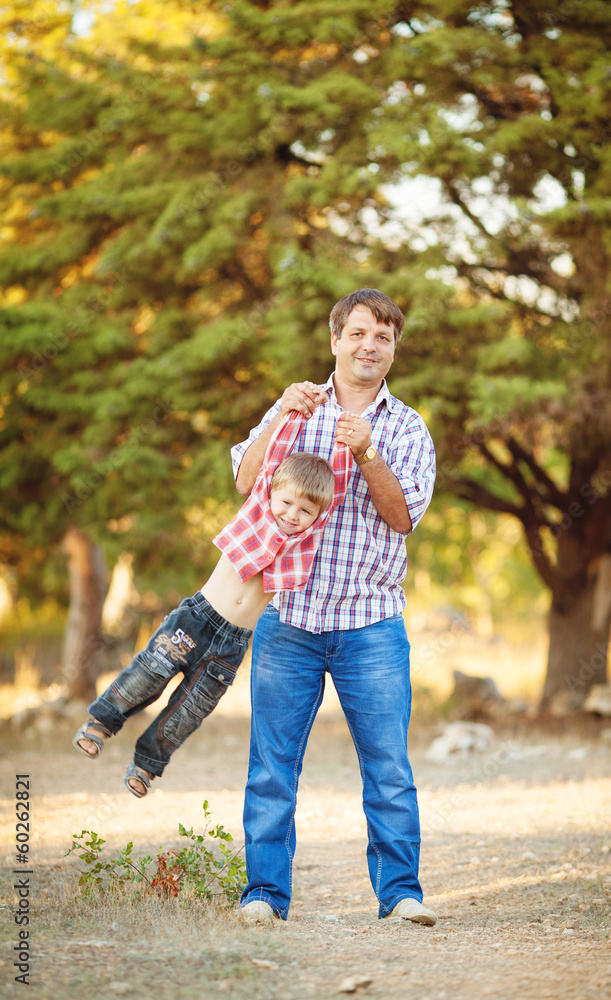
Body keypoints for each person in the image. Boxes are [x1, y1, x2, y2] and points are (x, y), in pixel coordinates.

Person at [233, 288, 438, 927]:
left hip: (371, 623)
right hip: (288, 618)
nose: (369, 346)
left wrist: (367, 451)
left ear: (393, 350)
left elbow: (402, 517)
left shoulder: (406, 427)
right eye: (358, 333)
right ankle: (264, 897)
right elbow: (244, 481)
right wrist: (277, 416)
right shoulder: (297, 406)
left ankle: (400, 895)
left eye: (383, 337)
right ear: (335, 341)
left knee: (388, 769)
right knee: (272, 769)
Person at [72, 409, 353, 797]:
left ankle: (146, 765)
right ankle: (101, 724)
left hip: (233, 645)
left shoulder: (306, 543)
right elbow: (274, 455)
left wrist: (345, 443)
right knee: (150, 673)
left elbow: (336, 489)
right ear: (271, 492)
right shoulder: (257, 513)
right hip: (196, 620)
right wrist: (291, 413)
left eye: (305, 511)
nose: (293, 515)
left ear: (317, 516)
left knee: (191, 709)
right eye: (287, 502)